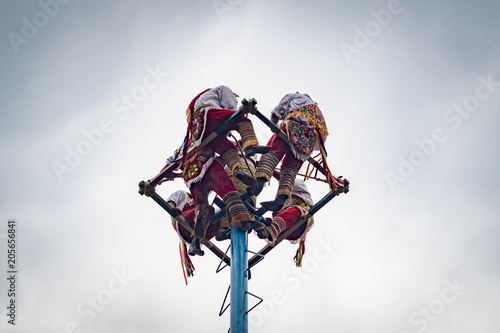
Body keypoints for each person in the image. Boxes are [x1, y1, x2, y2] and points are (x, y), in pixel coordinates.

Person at [247, 92, 329, 212]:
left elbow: (276, 115)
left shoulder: (294, 96)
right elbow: (322, 139)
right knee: (290, 169)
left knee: (272, 153)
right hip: (308, 142)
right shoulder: (318, 111)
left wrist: (274, 126)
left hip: (292, 127)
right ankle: (280, 200)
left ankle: (259, 183)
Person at [256, 178, 315, 266]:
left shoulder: (298, 182)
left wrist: (273, 170)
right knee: (278, 216)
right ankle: (263, 228)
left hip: (300, 219)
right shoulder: (280, 196)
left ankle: (269, 228)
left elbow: (285, 178)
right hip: (286, 229)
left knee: (291, 212)